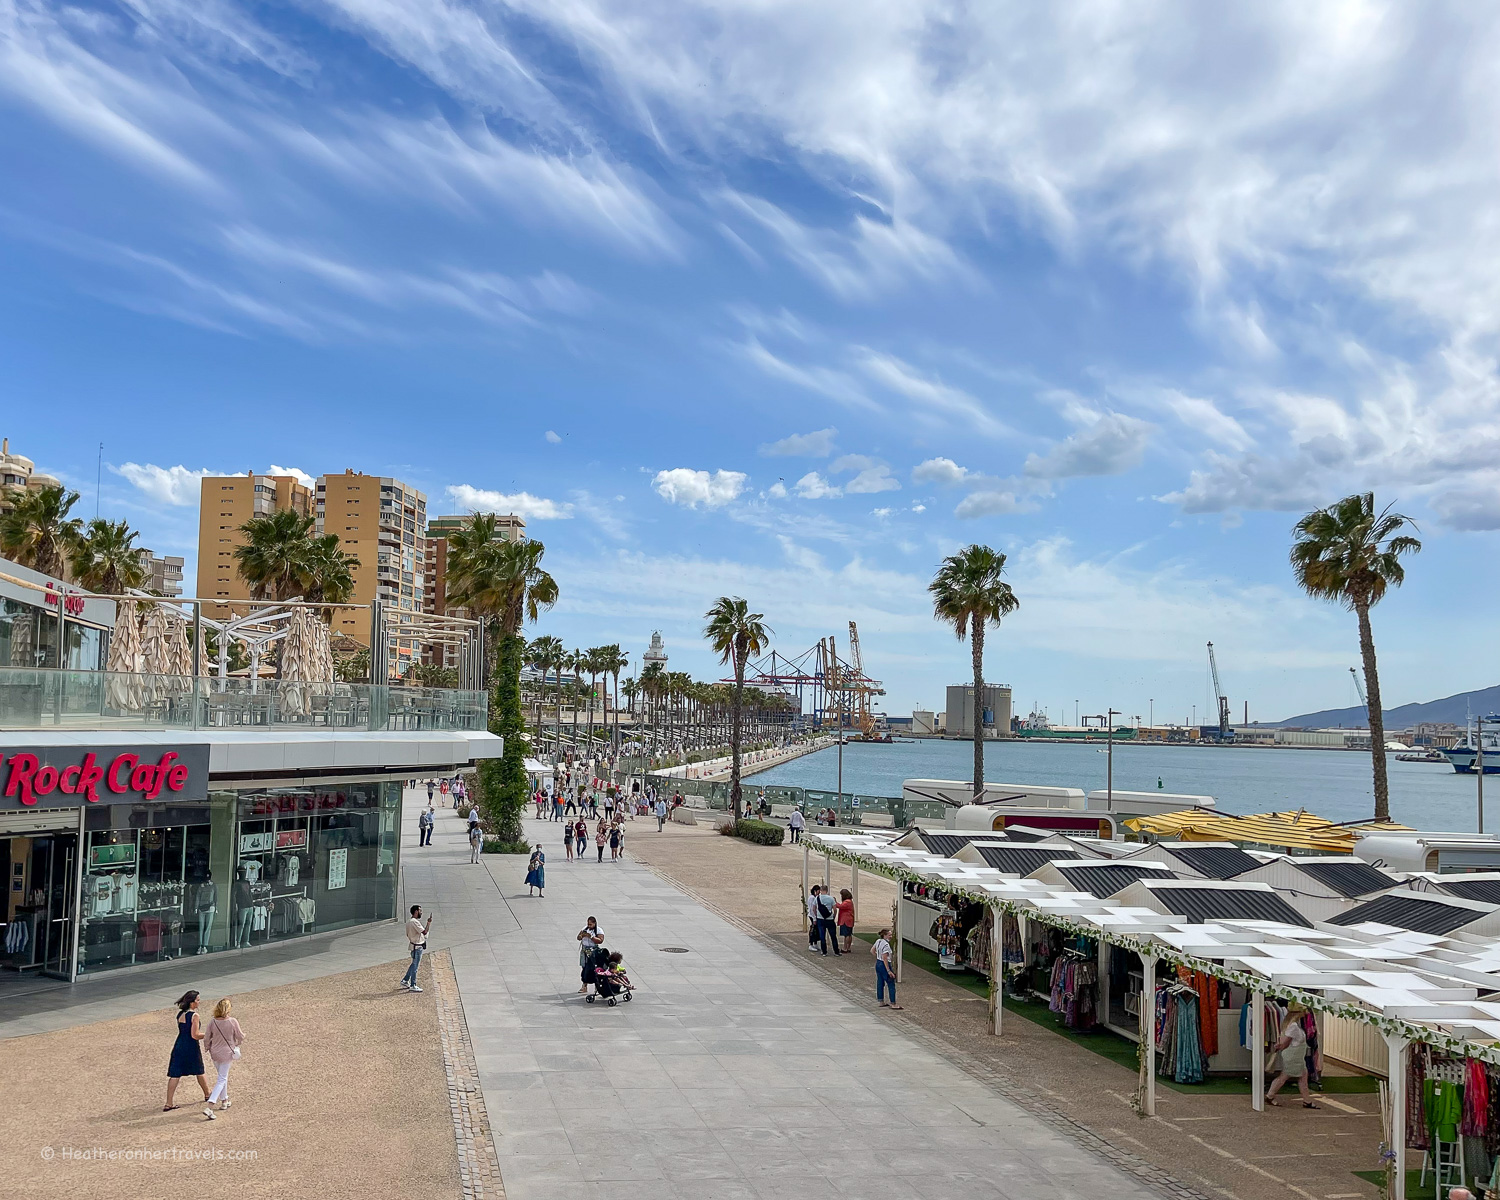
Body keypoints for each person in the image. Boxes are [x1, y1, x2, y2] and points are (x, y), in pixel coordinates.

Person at [1265, 1003, 1320, 1108]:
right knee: (1285, 1076)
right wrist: (1280, 1045)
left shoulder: (1289, 1024)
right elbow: (1285, 1043)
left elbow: (1283, 1042)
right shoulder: (1293, 1026)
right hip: (1294, 1056)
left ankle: (1306, 1100)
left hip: (1296, 1056)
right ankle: (1270, 1095)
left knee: (1302, 1076)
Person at [165, 990, 210, 1110]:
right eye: (197, 1000)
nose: (199, 1002)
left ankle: (169, 1102)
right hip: (191, 1047)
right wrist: (209, 1034)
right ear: (192, 1002)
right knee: (199, 1070)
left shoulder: (180, 1014)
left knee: (175, 1074)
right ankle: (207, 1094)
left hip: (179, 1044)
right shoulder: (194, 1016)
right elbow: (195, 1035)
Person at [202, 997, 245, 1120]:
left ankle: (224, 1100)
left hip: (215, 1052)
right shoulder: (232, 1021)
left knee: (222, 1076)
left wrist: (207, 1047)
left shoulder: (213, 1021)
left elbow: (206, 1038)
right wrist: (238, 1043)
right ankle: (210, 1105)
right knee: (222, 1078)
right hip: (227, 1052)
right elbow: (240, 1036)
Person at [400, 904, 432, 993]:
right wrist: (428, 923)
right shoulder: (415, 922)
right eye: (420, 911)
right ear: (416, 911)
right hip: (417, 947)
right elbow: (425, 932)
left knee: (413, 964)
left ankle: (405, 980)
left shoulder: (409, 922)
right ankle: (413, 985)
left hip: (413, 945)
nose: (421, 913)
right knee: (415, 966)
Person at [873, 928, 901, 1009]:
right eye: (889, 935)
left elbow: (872, 950)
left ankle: (881, 1001)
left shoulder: (878, 941)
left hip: (878, 962)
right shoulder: (886, 945)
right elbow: (885, 957)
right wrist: (888, 970)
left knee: (880, 982)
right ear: (884, 935)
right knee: (891, 983)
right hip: (884, 964)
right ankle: (893, 1003)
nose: (891, 936)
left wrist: (878, 956)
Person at [578, 918, 604, 994]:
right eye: (588, 924)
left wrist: (591, 937)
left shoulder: (599, 930)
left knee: (595, 969)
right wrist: (582, 935)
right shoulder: (584, 929)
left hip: (593, 952)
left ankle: (597, 987)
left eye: (591, 924)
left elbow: (600, 940)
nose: (589, 926)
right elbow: (578, 937)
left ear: (594, 923)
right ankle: (584, 985)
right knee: (584, 968)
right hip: (584, 951)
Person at [815, 886, 840, 956]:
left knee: (822, 936)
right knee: (833, 936)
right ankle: (836, 951)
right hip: (829, 918)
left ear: (820, 890)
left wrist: (816, 916)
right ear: (827, 890)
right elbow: (835, 909)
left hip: (820, 918)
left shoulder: (817, 898)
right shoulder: (831, 898)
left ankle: (824, 951)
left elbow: (814, 908)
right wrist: (834, 916)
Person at [836, 888, 855, 954]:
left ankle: (845, 948)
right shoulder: (850, 901)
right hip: (849, 920)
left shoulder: (847, 902)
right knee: (849, 934)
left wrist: (835, 902)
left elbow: (840, 906)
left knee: (846, 935)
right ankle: (848, 947)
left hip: (845, 920)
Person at [806, 885, 823, 952]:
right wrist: (814, 918)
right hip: (813, 916)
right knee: (813, 929)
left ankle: (815, 943)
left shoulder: (815, 897)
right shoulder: (812, 898)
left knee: (816, 930)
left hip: (816, 916)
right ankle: (811, 944)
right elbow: (811, 909)